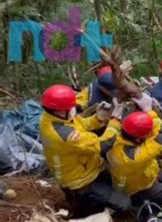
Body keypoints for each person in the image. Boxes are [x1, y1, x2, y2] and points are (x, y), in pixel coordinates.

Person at [39, 84, 131, 215]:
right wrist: (115, 121)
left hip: (86, 168)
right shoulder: (66, 135)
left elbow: (79, 124)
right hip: (80, 183)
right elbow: (103, 144)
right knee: (124, 202)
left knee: (121, 183)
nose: (73, 110)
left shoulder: (51, 117)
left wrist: (97, 119)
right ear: (60, 111)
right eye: (71, 108)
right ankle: (87, 208)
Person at [107, 93, 162, 208]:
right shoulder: (133, 157)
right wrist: (148, 110)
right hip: (137, 189)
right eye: (147, 133)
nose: (149, 135)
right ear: (138, 138)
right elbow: (161, 136)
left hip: (137, 177)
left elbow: (115, 125)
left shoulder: (114, 137)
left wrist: (116, 113)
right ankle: (144, 203)